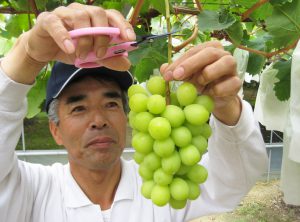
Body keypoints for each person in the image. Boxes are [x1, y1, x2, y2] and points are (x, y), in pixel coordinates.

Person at [0, 3, 268, 222]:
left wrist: (225, 106)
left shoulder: (165, 175)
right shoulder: (30, 190)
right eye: (79, 108)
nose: (99, 120)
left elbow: (235, 178)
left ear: (129, 117)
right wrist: (27, 56)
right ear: (55, 130)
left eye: (111, 104)